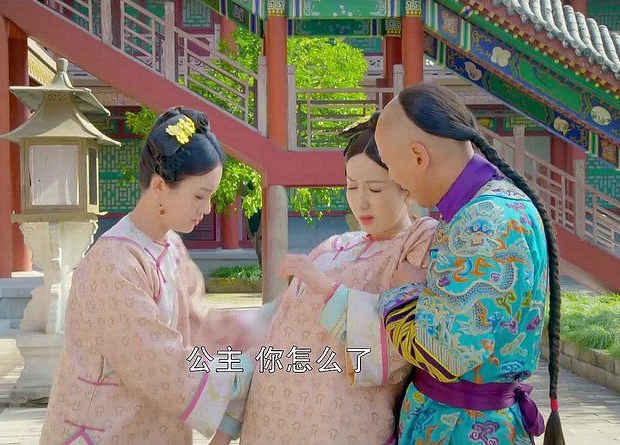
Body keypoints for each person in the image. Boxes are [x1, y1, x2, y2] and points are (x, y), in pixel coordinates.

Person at [39, 107, 272, 445]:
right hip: (105, 429)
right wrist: (238, 378)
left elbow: (200, 325)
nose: (206, 208)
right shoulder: (114, 263)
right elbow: (157, 364)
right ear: (161, 186)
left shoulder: (171, 246)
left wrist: (260, 328)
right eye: (199, 195)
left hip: (154, 426)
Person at [224, 112, 438, 445]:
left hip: (339, 428)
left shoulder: (418, 242)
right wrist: (227, 426)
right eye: (351, 186)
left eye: (375, 188)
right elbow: (272, 338)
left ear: (406, 185)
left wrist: (325, 288)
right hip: (267, 421)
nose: (360, 201)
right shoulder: (334, 246)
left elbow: (401, 344)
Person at [372, 83, 565, 445]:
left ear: (418, 156)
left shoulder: (484, 222)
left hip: (461, 428)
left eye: (389, 164)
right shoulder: (491, 203)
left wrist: (404, 291)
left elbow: (444, 355)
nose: (392, 177)